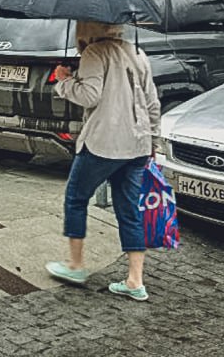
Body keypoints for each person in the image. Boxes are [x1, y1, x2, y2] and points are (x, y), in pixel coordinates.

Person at [45, 20, 162, 302]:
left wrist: (64, 80)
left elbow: (90, 96)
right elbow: (152, 102)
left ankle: (75, 265)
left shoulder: (94, 53)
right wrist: (154, 141)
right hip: (138, 143)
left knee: (75, 198)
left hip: (104, 143)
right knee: (129, 210)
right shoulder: (137, 52)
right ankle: (135, 280)